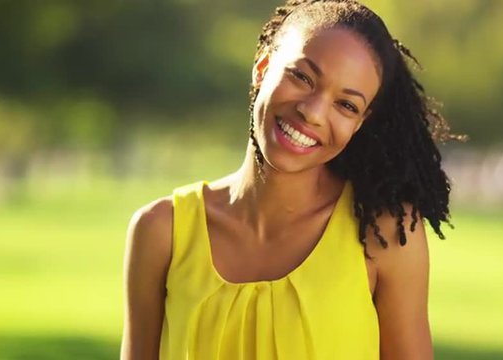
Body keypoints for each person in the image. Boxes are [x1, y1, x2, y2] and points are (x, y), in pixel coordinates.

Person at [121, 0, 463, 359]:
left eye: (346, 105)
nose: (312, 113)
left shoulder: (386, 236)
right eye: (302, 77)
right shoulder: (161, 231)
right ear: (263, 66)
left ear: (361, 122)